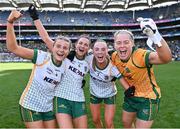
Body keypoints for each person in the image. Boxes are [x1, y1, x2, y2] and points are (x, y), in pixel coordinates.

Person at [28, 5, 90, 128]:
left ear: (88, 48)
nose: (82, 46)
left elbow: (104, 59)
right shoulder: (65, 55)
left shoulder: (89, 61)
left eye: (86, 44)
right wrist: (35, 17)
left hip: (79, 98)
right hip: (61, 97)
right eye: (80, 43)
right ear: (75, 45)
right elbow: (46, 39)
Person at [6, 10, 71, 128]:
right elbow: (13, 48)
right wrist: (10, 22)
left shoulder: (67, 65)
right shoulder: (42, 57)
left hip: (48, 107)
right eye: (58, 46)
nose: (61, 50)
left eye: (65, 48)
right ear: (53, 47)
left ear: (68, 52)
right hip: (30, 105)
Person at [112, 18, 172, 128]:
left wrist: (155, 36)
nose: (122, 46)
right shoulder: (114, 56)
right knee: (126, 124)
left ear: (132, 44)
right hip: (130, 97)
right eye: (118, 43)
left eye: (126, 42)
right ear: (114, 45)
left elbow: (166, 58)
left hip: (148, 99)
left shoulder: (141, 55)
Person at [87, 39, 135, 128]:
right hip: (94, 93)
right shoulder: (89, 58)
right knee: (95, 120)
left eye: (103, 49)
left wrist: (131, 92)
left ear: (107, 51)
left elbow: (123, 83)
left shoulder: (112, 67)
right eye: (96, 49)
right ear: (92, 51)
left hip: (110, 94)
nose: (100, 52)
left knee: (109, 123)